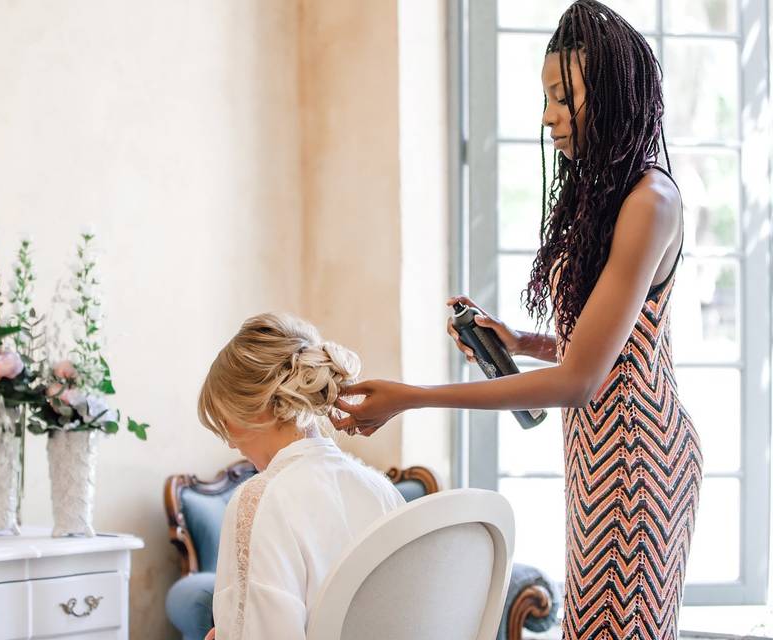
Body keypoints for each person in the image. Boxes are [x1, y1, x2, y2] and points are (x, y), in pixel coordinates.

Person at [332, 2, 702, 638]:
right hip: (597, 455)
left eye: (564, 96)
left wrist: (412, 398)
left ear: (611, 94)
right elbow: (610, 347)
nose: (548, 115)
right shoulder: (612, 197)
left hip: (640, 461)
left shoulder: (650, 201)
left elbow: (582, 380)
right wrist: (521, 341)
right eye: (546, 97)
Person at [198, 312, 405, 640]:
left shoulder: (259, 499)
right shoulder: (382, 491)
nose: (231, 442)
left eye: (226, 422)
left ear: (257, 408)